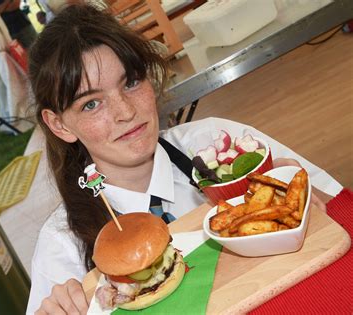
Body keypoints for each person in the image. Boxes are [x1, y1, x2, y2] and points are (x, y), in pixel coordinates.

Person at [25, 5, 338, 314]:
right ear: (60, 125)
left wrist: (309, 202)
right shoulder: (62, 246)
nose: (126, 112)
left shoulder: (217, 146)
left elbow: (339, 214)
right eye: (92, 104)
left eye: (131, 82)